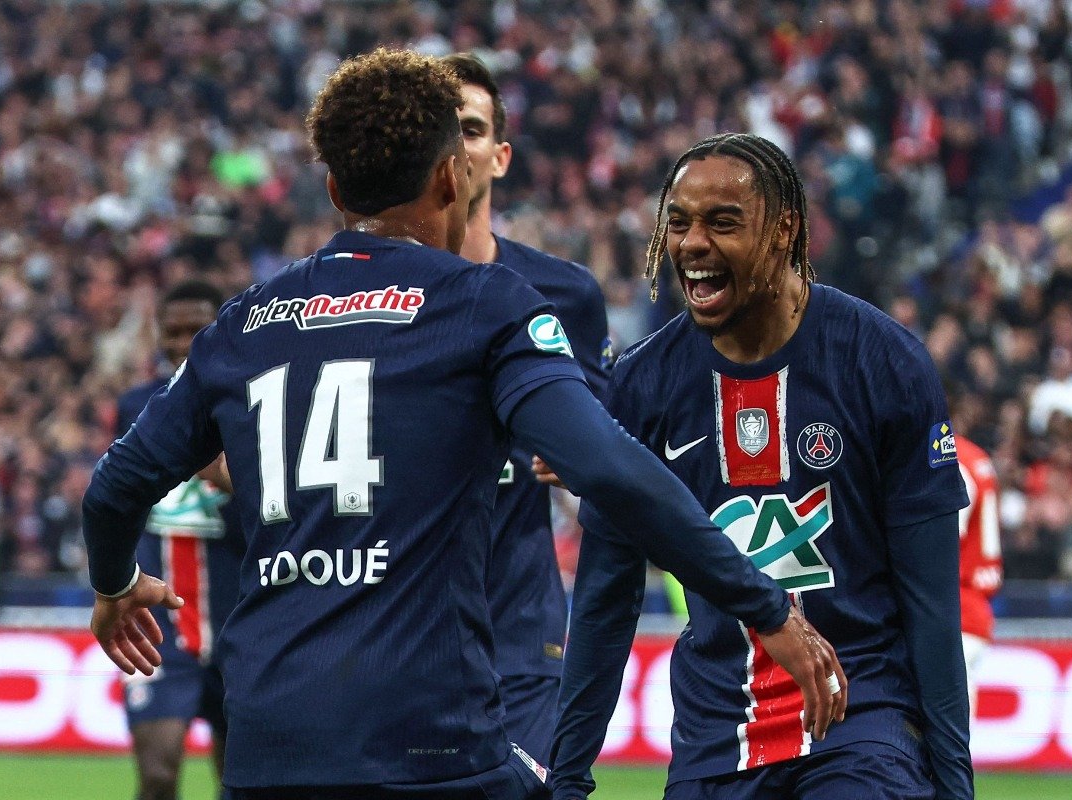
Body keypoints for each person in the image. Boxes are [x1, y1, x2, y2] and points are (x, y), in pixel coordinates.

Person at [81, 50, 844, 800]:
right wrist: (764, 604)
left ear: (335, 187)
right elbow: (609, 466)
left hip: (270, 746)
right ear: (452, 176)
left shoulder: (245, 322)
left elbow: (113, 489)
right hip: (432, 741)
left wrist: (115, 581)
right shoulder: (485, 302)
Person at [544, 133, 972, 800]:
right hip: (715, 740)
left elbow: (931, 604)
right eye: (678, 222)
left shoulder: (883, 361)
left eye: (722, 222)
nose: (690, 244)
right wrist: (565, 777)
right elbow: (605, 600)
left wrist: (955, 784)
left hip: (860, 727)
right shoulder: (645, 386)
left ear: (783, 231)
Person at [441, 52, 610, 766]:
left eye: (472, 129)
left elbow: (602, 457)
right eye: (437, 127)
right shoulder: (361, 295)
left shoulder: (563, 295)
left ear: (501, 156)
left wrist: (572, 463)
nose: (455, 145)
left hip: (520, 629)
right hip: (394, 627)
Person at [116, 279, 243, 800]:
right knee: (159, 773)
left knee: (240, 780)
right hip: (160, 626)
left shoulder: (251, 405)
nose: (184, 342)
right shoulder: (136, 406)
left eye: (198, 329)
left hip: (239, 618)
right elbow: (116, 502)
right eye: (173, 331)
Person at [953, 432, 1003, 720]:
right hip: (973, 603)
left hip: (953, 603)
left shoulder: (946, 457)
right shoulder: (975, 455)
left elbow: (943, 540)